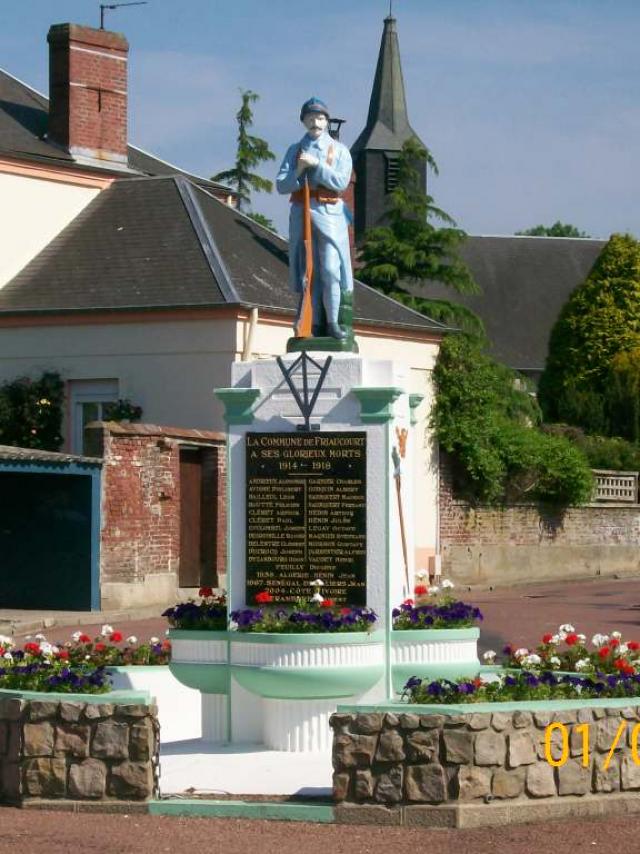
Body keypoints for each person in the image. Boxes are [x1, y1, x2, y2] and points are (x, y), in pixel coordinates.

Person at [276, 97, 353, 339]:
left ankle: (333, 323)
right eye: (310, 118)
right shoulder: (294, 150)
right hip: (302, 213)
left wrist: (317, 164)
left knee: (330, 269)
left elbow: (340, 182)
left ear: (327, 121)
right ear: (303, 121)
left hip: (329, 213)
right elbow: (281, 185)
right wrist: (299, 170)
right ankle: (314, 324)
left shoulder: (339, 150)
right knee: (308, 272)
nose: (315, 122)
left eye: (320, 118)